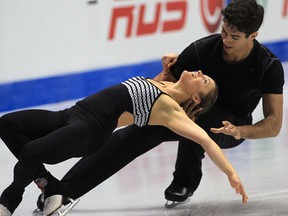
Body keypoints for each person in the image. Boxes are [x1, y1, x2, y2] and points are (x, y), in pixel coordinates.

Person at [39, 0, 283, 211]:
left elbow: (273, 125)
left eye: (235, 37)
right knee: (132, 135)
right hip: (183, 113)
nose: (226, 40)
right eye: (224, 32)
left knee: (197, 118)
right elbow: (159, 87)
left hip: (230, 125)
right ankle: (63, 190)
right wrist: (163, 77)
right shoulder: (202, 49)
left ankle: (185, 181)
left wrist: (241, 131)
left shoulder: (268, 66)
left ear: (254, 36)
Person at [0, 70, 248, 216]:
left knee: (32, 151)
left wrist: (232, 172)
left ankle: (11, 198)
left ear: (196, 97)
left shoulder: (170, 110)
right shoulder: (162, 81)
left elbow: (205, 140)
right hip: (70, 114)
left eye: (203, 81)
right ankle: (54, 186)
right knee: (7, 125)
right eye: (203, 73)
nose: (200, 73)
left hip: (87, 130)